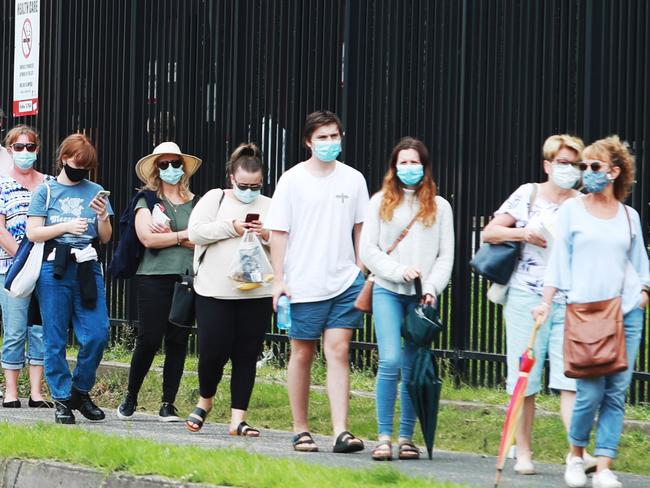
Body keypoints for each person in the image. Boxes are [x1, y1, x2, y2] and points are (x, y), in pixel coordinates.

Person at [533, 136, 649, 488]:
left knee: (616, 393)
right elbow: (558, 260)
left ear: (614, 172)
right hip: (584, 313)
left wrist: (642, 296)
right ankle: (575, 454)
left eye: (594, 166)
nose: (587, 173)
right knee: (589, 392)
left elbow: (641, 266)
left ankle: (603, 467)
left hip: (626, 314)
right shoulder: (572, 210)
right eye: (584, 166)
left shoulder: (629, 216)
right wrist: (546, 301)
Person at [482, 134, 591, 474]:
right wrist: (524, 233)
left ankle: (578, 451)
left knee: (571, 377)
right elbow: (490, 232)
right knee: (525, 376)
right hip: (526, 296)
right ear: (547, 165)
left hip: (570, 299)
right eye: (562, 162)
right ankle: (524, 451)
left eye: (574, 164)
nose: (568, 169)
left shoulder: (583, 203)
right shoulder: (527, 194)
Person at [266, 111, 369, 453]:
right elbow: (279, 232)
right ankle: (301, 429)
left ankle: (341, 430)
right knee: (302, 353)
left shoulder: (354, 179)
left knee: (339, 351)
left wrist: (359, 269)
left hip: (345, 281)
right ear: (308, 141)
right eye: (322, 137)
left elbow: (361, 229)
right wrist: (279, 279)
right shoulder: (292, 180)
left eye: (334, 136)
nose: (329, 143)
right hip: (302, 282)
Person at [359, 137, 454, 461]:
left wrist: (432, 288)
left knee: (414, 366)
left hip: (422, 298)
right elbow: (368, 250)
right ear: (394, 167)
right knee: (390, 361)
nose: (409, 168)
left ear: (424, 166)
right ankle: (384, 435)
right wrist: (398, 271)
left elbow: (445, 257)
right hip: (388, 289)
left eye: (415, 162)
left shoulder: (440, 207)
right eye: (403, 162)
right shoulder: (379, 202)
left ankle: (406, 437)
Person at [185, 143, 272, 436]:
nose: (249, 190)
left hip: (256, 292)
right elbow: (196, 232)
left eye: (256, 185)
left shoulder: (270, 205)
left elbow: (288, 243)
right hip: (214, 290)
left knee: (247, 355)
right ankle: (205, 400)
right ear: (232, 178)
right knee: (212, 351)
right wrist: (232, 227)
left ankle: (238, 418)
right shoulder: (216, 198)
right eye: (244, 185)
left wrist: (267, 234)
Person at [26, 133, 113, 424]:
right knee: (54, 337)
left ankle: (80, 389)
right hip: (54, 267)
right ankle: (62, 398)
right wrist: (64, 226)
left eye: (87, 166)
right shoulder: (46, 191)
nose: (82, 170)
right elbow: (33, 232)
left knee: (98, 333)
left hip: (88, 266)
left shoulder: (96, 190)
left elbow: (106, 237)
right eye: (78, 163)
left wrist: (102, 217)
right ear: (64, 158)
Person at [116, 142, 201, 422]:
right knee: (149, 339)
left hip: (187, 278)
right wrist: (182, 236)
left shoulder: (196, 202)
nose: (171, 169)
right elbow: (148, 239)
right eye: (164, 164)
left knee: (178, 341)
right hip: (153, 276)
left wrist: (179, 236)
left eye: (175, 163)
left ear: (183, 167)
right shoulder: (147, 200)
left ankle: (168, 403)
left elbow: (202, 240)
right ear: (156, 169)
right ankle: (131, 396)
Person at [0, 125, 53, 409]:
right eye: (18, 147)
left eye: (29, 147)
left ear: (37, 148)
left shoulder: (50, 184)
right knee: (15, 328)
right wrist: (24, 259)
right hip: (11, 267)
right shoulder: (1, 183)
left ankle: (37, 391)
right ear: (10, 150)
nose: (24, 152)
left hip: (46, 267)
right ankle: (10, 391)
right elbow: (0, 229)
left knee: (40, 329)